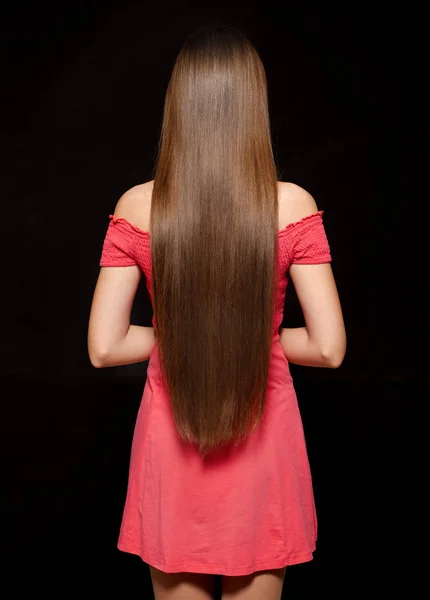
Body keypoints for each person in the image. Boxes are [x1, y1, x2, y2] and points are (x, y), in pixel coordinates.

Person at [88, 24, 346, 600]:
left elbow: (105, 347)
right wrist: (257, 339)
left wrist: (184, 336)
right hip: (264, 438)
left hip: (170, 441)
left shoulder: (137, 204)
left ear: (178, 107)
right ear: (254, 106)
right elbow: (328, 349)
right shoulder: (292, 204)